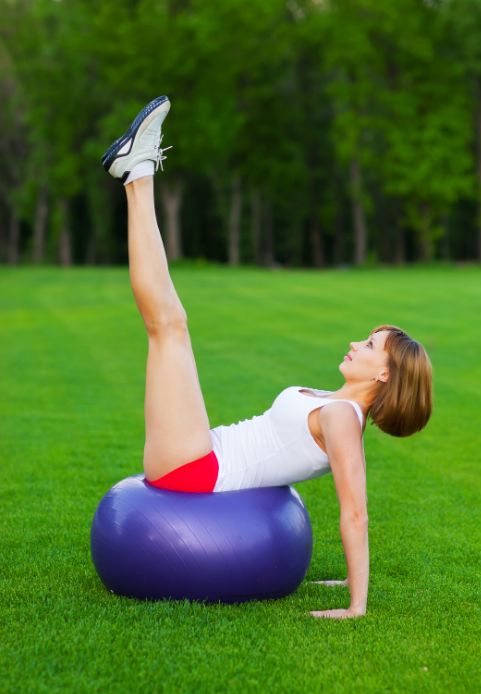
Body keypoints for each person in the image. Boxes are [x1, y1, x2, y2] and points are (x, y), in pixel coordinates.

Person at [102, 96, 433, 619]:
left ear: (386, 373)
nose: (356, 343)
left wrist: (356, 605)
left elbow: (355, 512)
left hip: (196, 470)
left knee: (169, 328)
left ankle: (137, 173)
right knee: (170, 328)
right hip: (201, 454)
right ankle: (136, 173)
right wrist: (347, 575)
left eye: (370, 346)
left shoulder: (345, 419)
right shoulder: (336, 404)